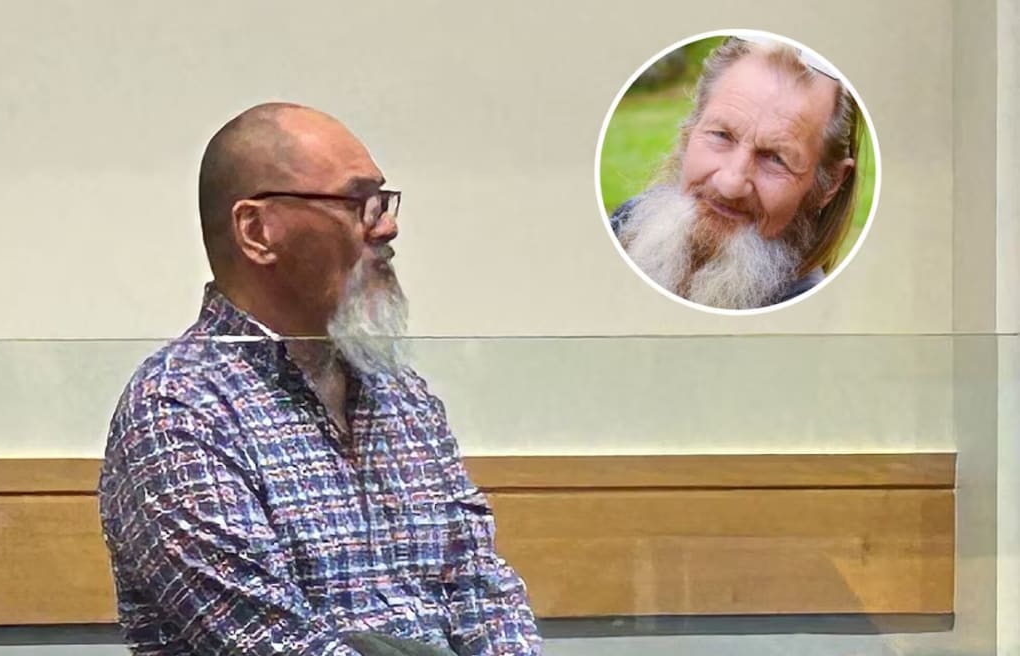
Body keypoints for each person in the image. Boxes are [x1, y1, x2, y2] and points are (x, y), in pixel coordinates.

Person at [97, 103, 542, 656]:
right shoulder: (177, 410)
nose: (387, 224)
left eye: (383, 200)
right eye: (358, 201)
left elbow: (486, 593)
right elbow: (273, 644)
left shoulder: (402, 396)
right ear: (257, 231)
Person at [610, 36, 861, 310]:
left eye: (776, 158)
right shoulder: (628, 222)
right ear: (690, 130)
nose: (730, 184)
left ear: (830, 185)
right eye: (721, 135)